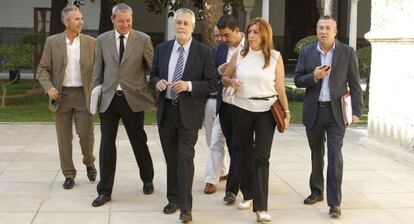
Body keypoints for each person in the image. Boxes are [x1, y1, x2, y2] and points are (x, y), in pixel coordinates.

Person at [149, 8, 217, 223]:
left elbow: (212, 83)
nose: (181, 26)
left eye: (185, 23)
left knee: (185, 158)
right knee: (171, 159)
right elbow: (153, 74)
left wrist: (188, 85)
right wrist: (157, 82)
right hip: (167, 111)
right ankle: (173, 199)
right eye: (178, 22)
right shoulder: (162, 49)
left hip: (189, 114)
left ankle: (186, 208)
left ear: (193, 27)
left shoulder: (203, 52)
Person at [221, 17, 290, 222]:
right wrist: (231, 81)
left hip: (266, 111)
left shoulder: (276, 57)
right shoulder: (239, 55)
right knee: (243, 153)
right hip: (241, 109)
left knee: (261, 157)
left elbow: (280, 89)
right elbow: (224, 77)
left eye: (255, 32)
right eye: (249, 31)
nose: (251, 36)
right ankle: (248, 193)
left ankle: (261, 207)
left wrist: (286, 112)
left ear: (265, 36)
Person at [294, 15, 363, 218]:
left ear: (335, 31)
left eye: (327, 28)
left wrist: (357, 111)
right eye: (320, 27)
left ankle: (335, 202)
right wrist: (314, 76)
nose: (323, 31)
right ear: (316, 30)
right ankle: (317, 191)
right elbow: (298, 80)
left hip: (337, 113)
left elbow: (355, 83)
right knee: (317, 155)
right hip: (314, 110)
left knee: (335, 157)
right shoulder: (307, 52)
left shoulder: (347, 52)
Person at [91, 3, 156, 207]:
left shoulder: (143, 39)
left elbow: (153, 70)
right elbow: (96, 71)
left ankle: (147, 179)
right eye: (121, 21)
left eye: (128, 20)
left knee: (138, 141)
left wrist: (152, 94)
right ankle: (105, 190)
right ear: (113, 20)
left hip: (133, 100)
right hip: (109, 100)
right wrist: (93, 96)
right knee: (106, 145)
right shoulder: (102, 40)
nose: (125, 24)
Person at [37, 5, 96, 190]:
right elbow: (42, 69)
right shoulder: (52, 42)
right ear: (66, 22)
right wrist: (49, 87)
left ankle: (89, 161)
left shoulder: (91, 42)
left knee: (86, 135)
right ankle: (69, 174)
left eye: (82, 18)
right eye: (77, 19)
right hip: (60, 96)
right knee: (64, 138)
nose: (81, 22)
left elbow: (98, 69)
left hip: (83, 95)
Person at [214, 14, 245, 204]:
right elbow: (211, 71)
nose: (223, 39)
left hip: (244, 105)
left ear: (237, 30)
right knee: (235, 149)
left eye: (226, 35)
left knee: (238, 146)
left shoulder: (251, 47)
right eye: (221, 36)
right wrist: (220, 70)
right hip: (224, 104)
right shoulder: (219, 50)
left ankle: (231, 190)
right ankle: (243, 178)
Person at [202, 25, 227, 195]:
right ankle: (223, 171)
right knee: (211, 139)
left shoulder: (243, 53)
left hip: (231, 103)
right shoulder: (211, 53)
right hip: (210, 101)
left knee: (217, 140)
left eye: (222, 35)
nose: (219, 38)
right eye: (216, 35)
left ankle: (211, 179)